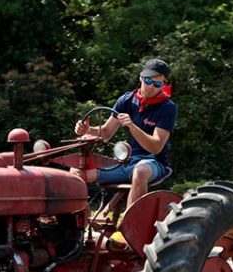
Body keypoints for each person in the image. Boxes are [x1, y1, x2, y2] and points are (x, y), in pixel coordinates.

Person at [74, 58, 177, 210]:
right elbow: (106, 133)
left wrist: (132, 126)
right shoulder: (126, 100)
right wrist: (88, 129)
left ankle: (132, 223)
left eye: (157, 84)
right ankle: (78, 218)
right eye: (148, 81)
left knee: (140, 171)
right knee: (77, 171)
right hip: (125, 162)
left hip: (153, 162)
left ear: (163, 85)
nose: (151, 87)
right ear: (141, 78)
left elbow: (156, 147)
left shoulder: (167, 107)